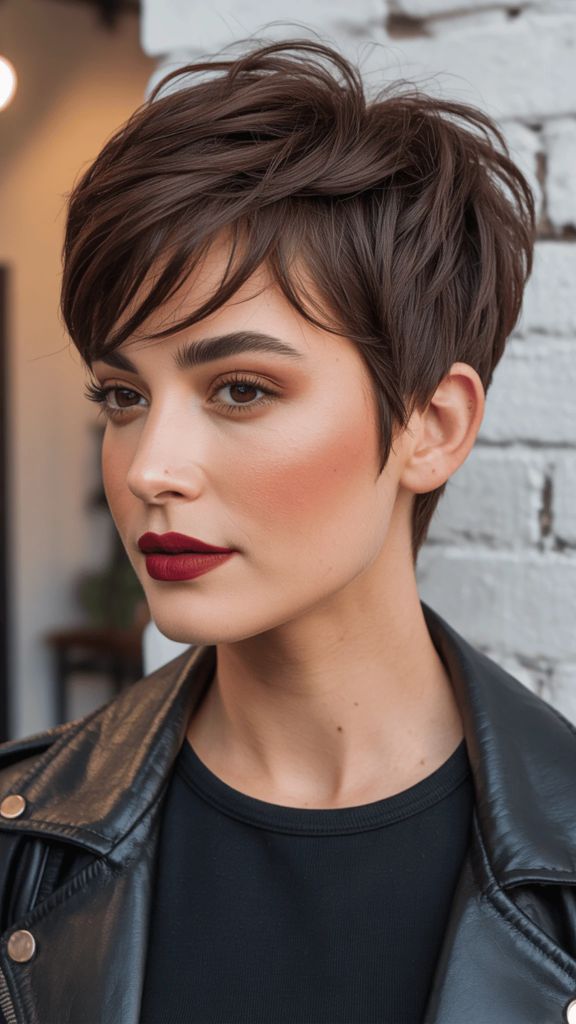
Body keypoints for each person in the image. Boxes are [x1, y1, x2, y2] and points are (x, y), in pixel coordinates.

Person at [0, 35, 575, 1024]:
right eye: (123, 394)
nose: (147, 469)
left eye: (240, 388)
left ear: (431, 427)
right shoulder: (21, 846)